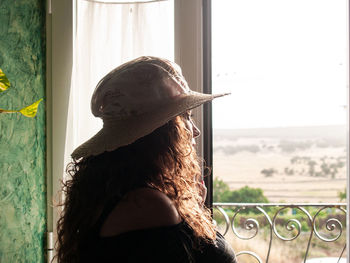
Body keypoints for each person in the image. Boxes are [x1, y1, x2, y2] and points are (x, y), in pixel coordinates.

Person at [56, 56, 237, 263]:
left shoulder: (118, 192)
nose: (195, 131)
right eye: (186, 117)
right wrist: (195, 212)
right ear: (161, 133)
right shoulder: (148, 205)